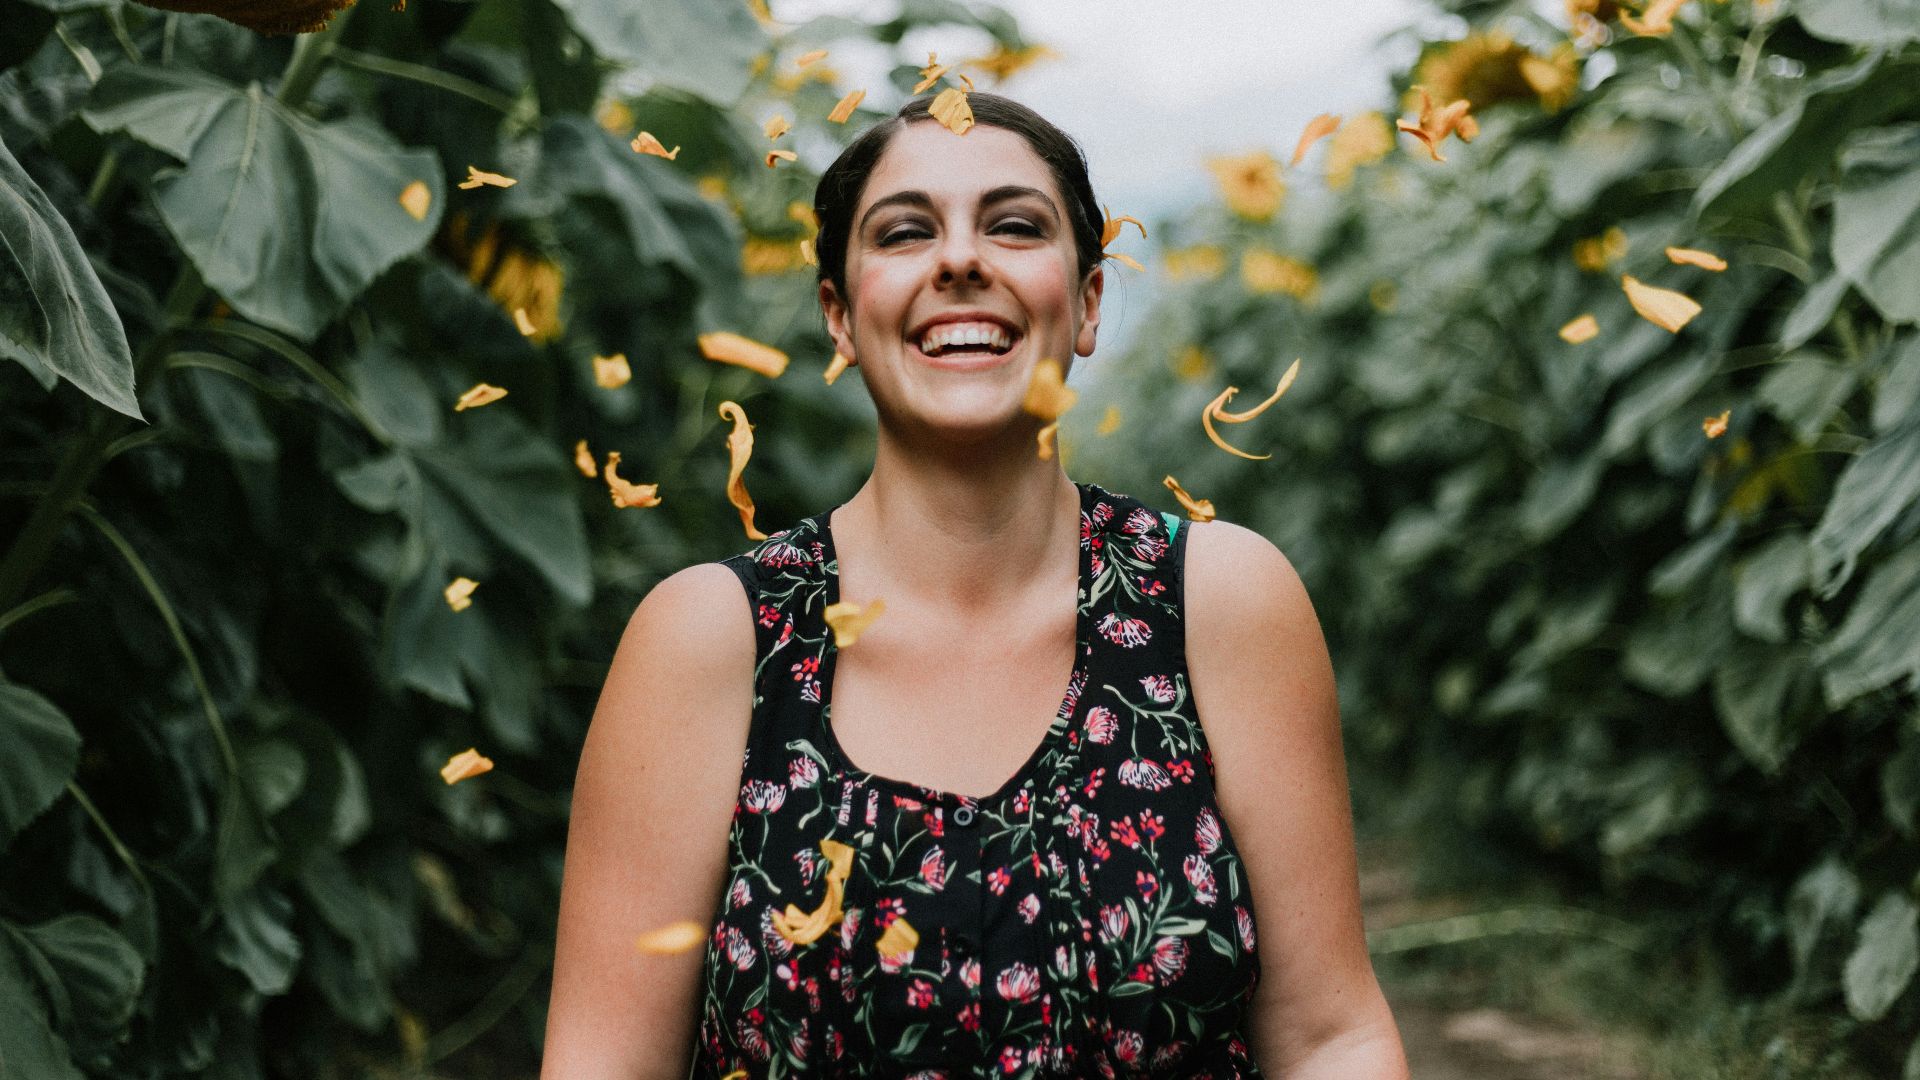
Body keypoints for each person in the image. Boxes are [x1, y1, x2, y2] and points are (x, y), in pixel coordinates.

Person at [542, 92, 1409, 1079]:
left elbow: (1332, 1036)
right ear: (839, 315)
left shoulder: (1218, 602)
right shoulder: (712, 639)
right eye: (906, 232)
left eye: (1014, 226)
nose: (961, 260)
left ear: (1084, 304)